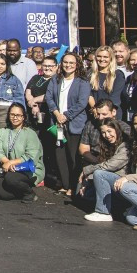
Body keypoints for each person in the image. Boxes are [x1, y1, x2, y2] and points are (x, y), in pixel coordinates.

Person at [44, 51, 90, 194]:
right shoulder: (55, 80)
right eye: (65, 62)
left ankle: (73, 186)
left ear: (77, 65)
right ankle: (65, 184)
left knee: (73, 156)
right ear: (61, 64)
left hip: (74, 124)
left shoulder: (82, 82)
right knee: (60, 155)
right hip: (57, 123)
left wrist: (66, 116)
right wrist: (57, 114)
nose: (68, 65)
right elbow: (49, 97)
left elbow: (82, 103)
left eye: (71, 63)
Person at [78, 118, 130, 219]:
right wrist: (88, 178)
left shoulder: (125, 146)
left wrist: (87, 171)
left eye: (109, 131)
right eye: (103, 132)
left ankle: (103, 212)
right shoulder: (108, 145)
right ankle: (117, 209)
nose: (107, 135)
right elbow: (103, 165)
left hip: (124, 181)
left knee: (99, 174)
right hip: (113, 180)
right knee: (86, 194)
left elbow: (110, 165)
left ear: (117, 130)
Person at [0, 103, 43, 202]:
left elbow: (31, 156)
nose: (15, 118)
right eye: (12, 114)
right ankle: (19, 190)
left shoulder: (30, 133)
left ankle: (29, 193)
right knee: (2, 194)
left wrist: (11, 163)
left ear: (23, 117)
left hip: (28, 168)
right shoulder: (3, 131)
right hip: (8, 168)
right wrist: (6, 162)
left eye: (18, 115)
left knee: (10, 179)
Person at [88, 46, 124, 111]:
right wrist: (95, 109)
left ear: (111, 58)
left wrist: (104, 111)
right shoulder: (90, 74)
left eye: (105, 57)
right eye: (99, 56)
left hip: (111, 111)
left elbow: (115, 97)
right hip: (94, 111)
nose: (102, 59)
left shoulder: (118, 75)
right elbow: (89, 94)